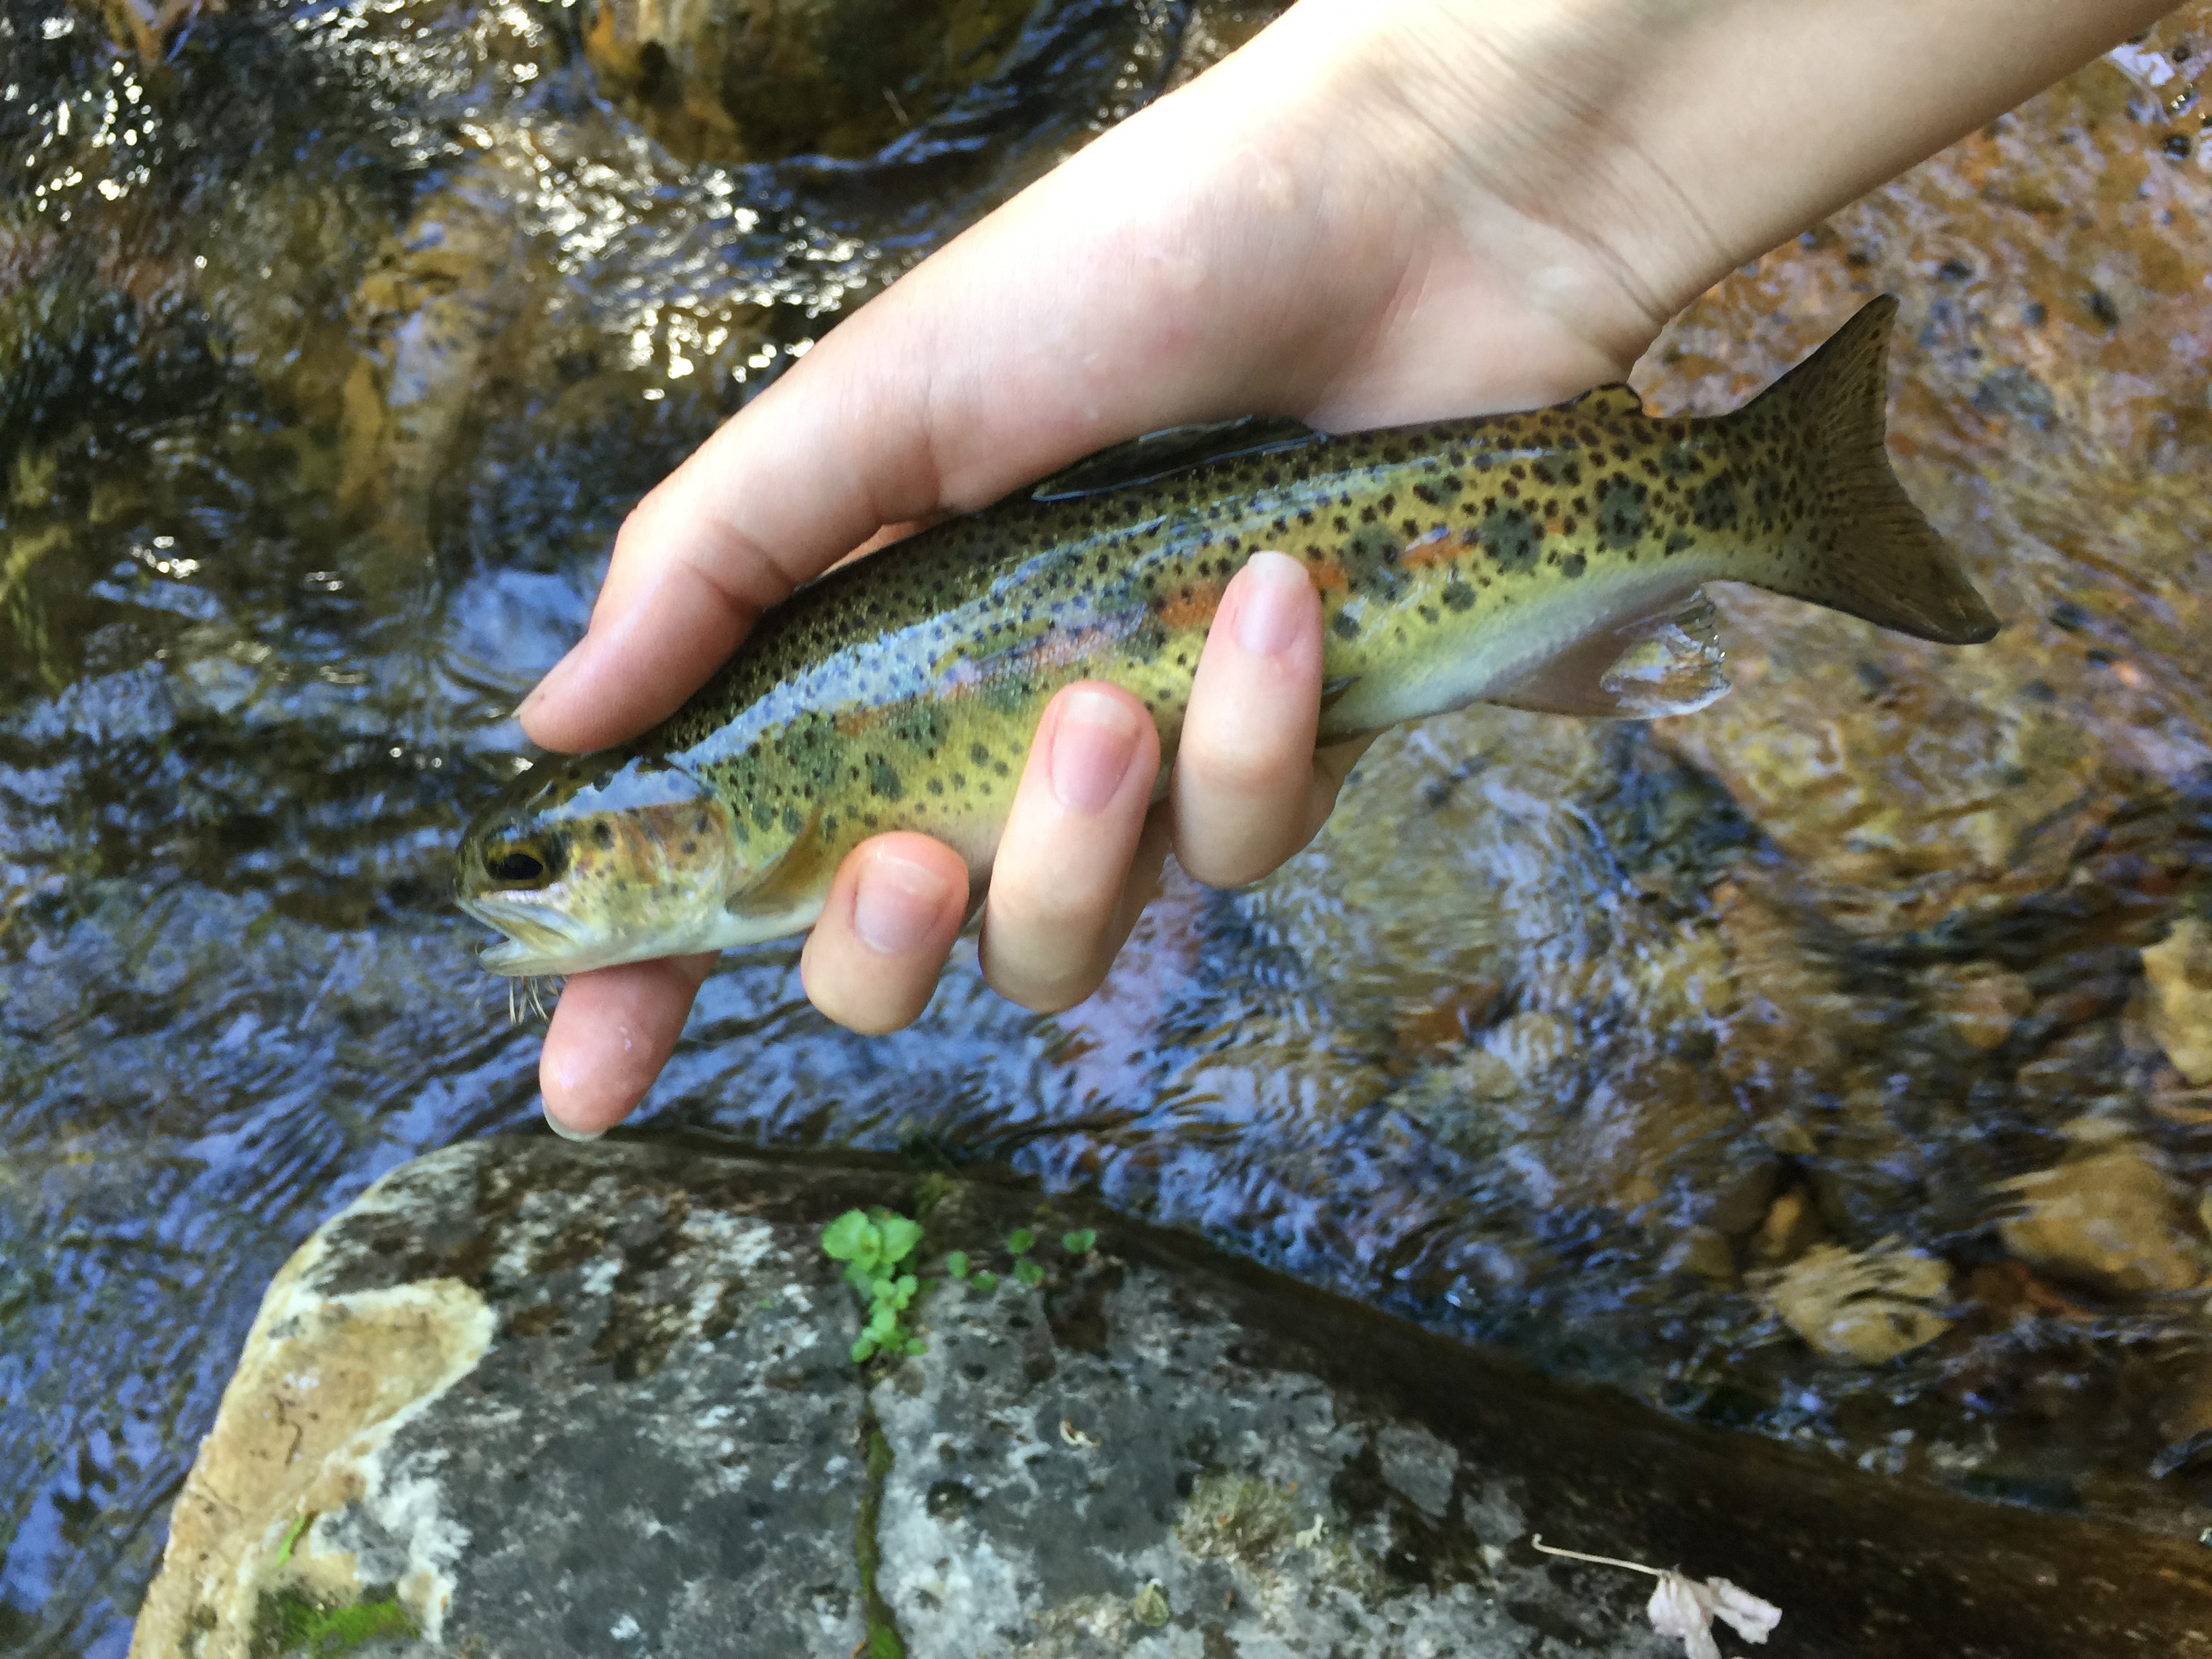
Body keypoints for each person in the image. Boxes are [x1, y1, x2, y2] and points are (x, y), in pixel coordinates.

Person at [516, 0, 2176, 1137]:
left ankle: (1754, 490)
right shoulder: (750, 771)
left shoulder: (755, 809)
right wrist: (1430, 133)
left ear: (653, 827)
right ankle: (1738, 495)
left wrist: (1430, 136)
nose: (525, 907)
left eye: (537, 870)